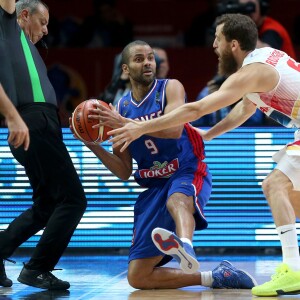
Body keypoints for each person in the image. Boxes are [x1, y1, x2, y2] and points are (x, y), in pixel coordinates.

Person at [106, 14, 300, 297]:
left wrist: (141, 127)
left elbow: (196, 109)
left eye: (217, 39)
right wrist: (210, 134)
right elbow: (245, 108)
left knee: (274, 185)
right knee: (290, 198)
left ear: (233, 44)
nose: (213, 45)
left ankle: (293, 268)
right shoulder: (266, 59)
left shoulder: (251, 71)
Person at [75, 40, 256, 290]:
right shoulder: (120, 107)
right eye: (140, 59)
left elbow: (173, 129)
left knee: (177, 200)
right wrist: (92, 143)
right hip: (153, 186)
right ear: (126, 70)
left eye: (150, 57)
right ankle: (216, 276)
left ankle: (186, 245)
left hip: (186, 169)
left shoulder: (170, 88)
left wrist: (124, 122)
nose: (148, 62)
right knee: (138, 277)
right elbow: (124, 170)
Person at [0, 0, 87, 290]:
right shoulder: (9, 28)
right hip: (33, 122)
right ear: (24, 15)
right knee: (73, 199)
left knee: (48, 204)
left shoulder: (25, 48)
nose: (46, 30)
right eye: (43, 22)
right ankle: (37, 267)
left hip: (40, 123)